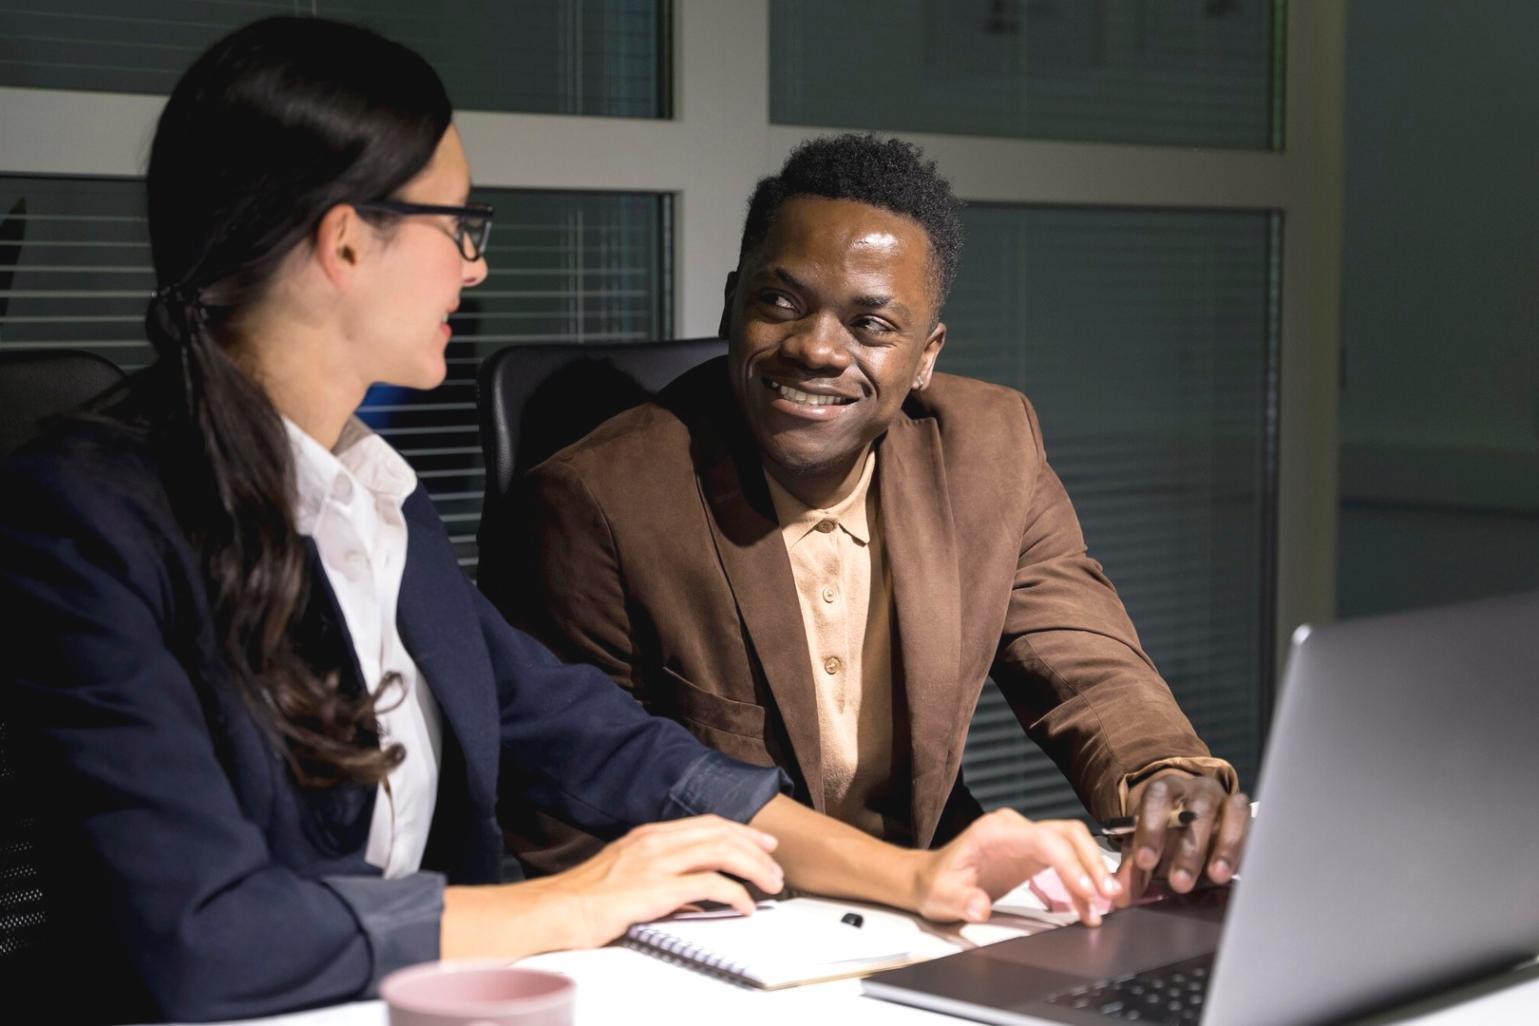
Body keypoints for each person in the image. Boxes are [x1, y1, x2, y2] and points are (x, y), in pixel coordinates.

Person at [0, 20, 1119, 1024]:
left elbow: (600, 740)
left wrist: (918, 879)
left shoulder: (371, 491)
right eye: (457, 225)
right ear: (347, 243)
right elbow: (201, 940)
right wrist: (570, 903)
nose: (476, 265)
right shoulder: (90, 513)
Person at [491, 134, 1252, 898]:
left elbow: (1084, 666)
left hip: (936, 901)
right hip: (726, 924)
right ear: (731, 303)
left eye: (871, 325)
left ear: (925, 356)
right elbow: (573, 795)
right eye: (779, 304)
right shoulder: (599, 501)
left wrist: (1164, 776)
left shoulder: (989, 450)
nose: (817, 349)